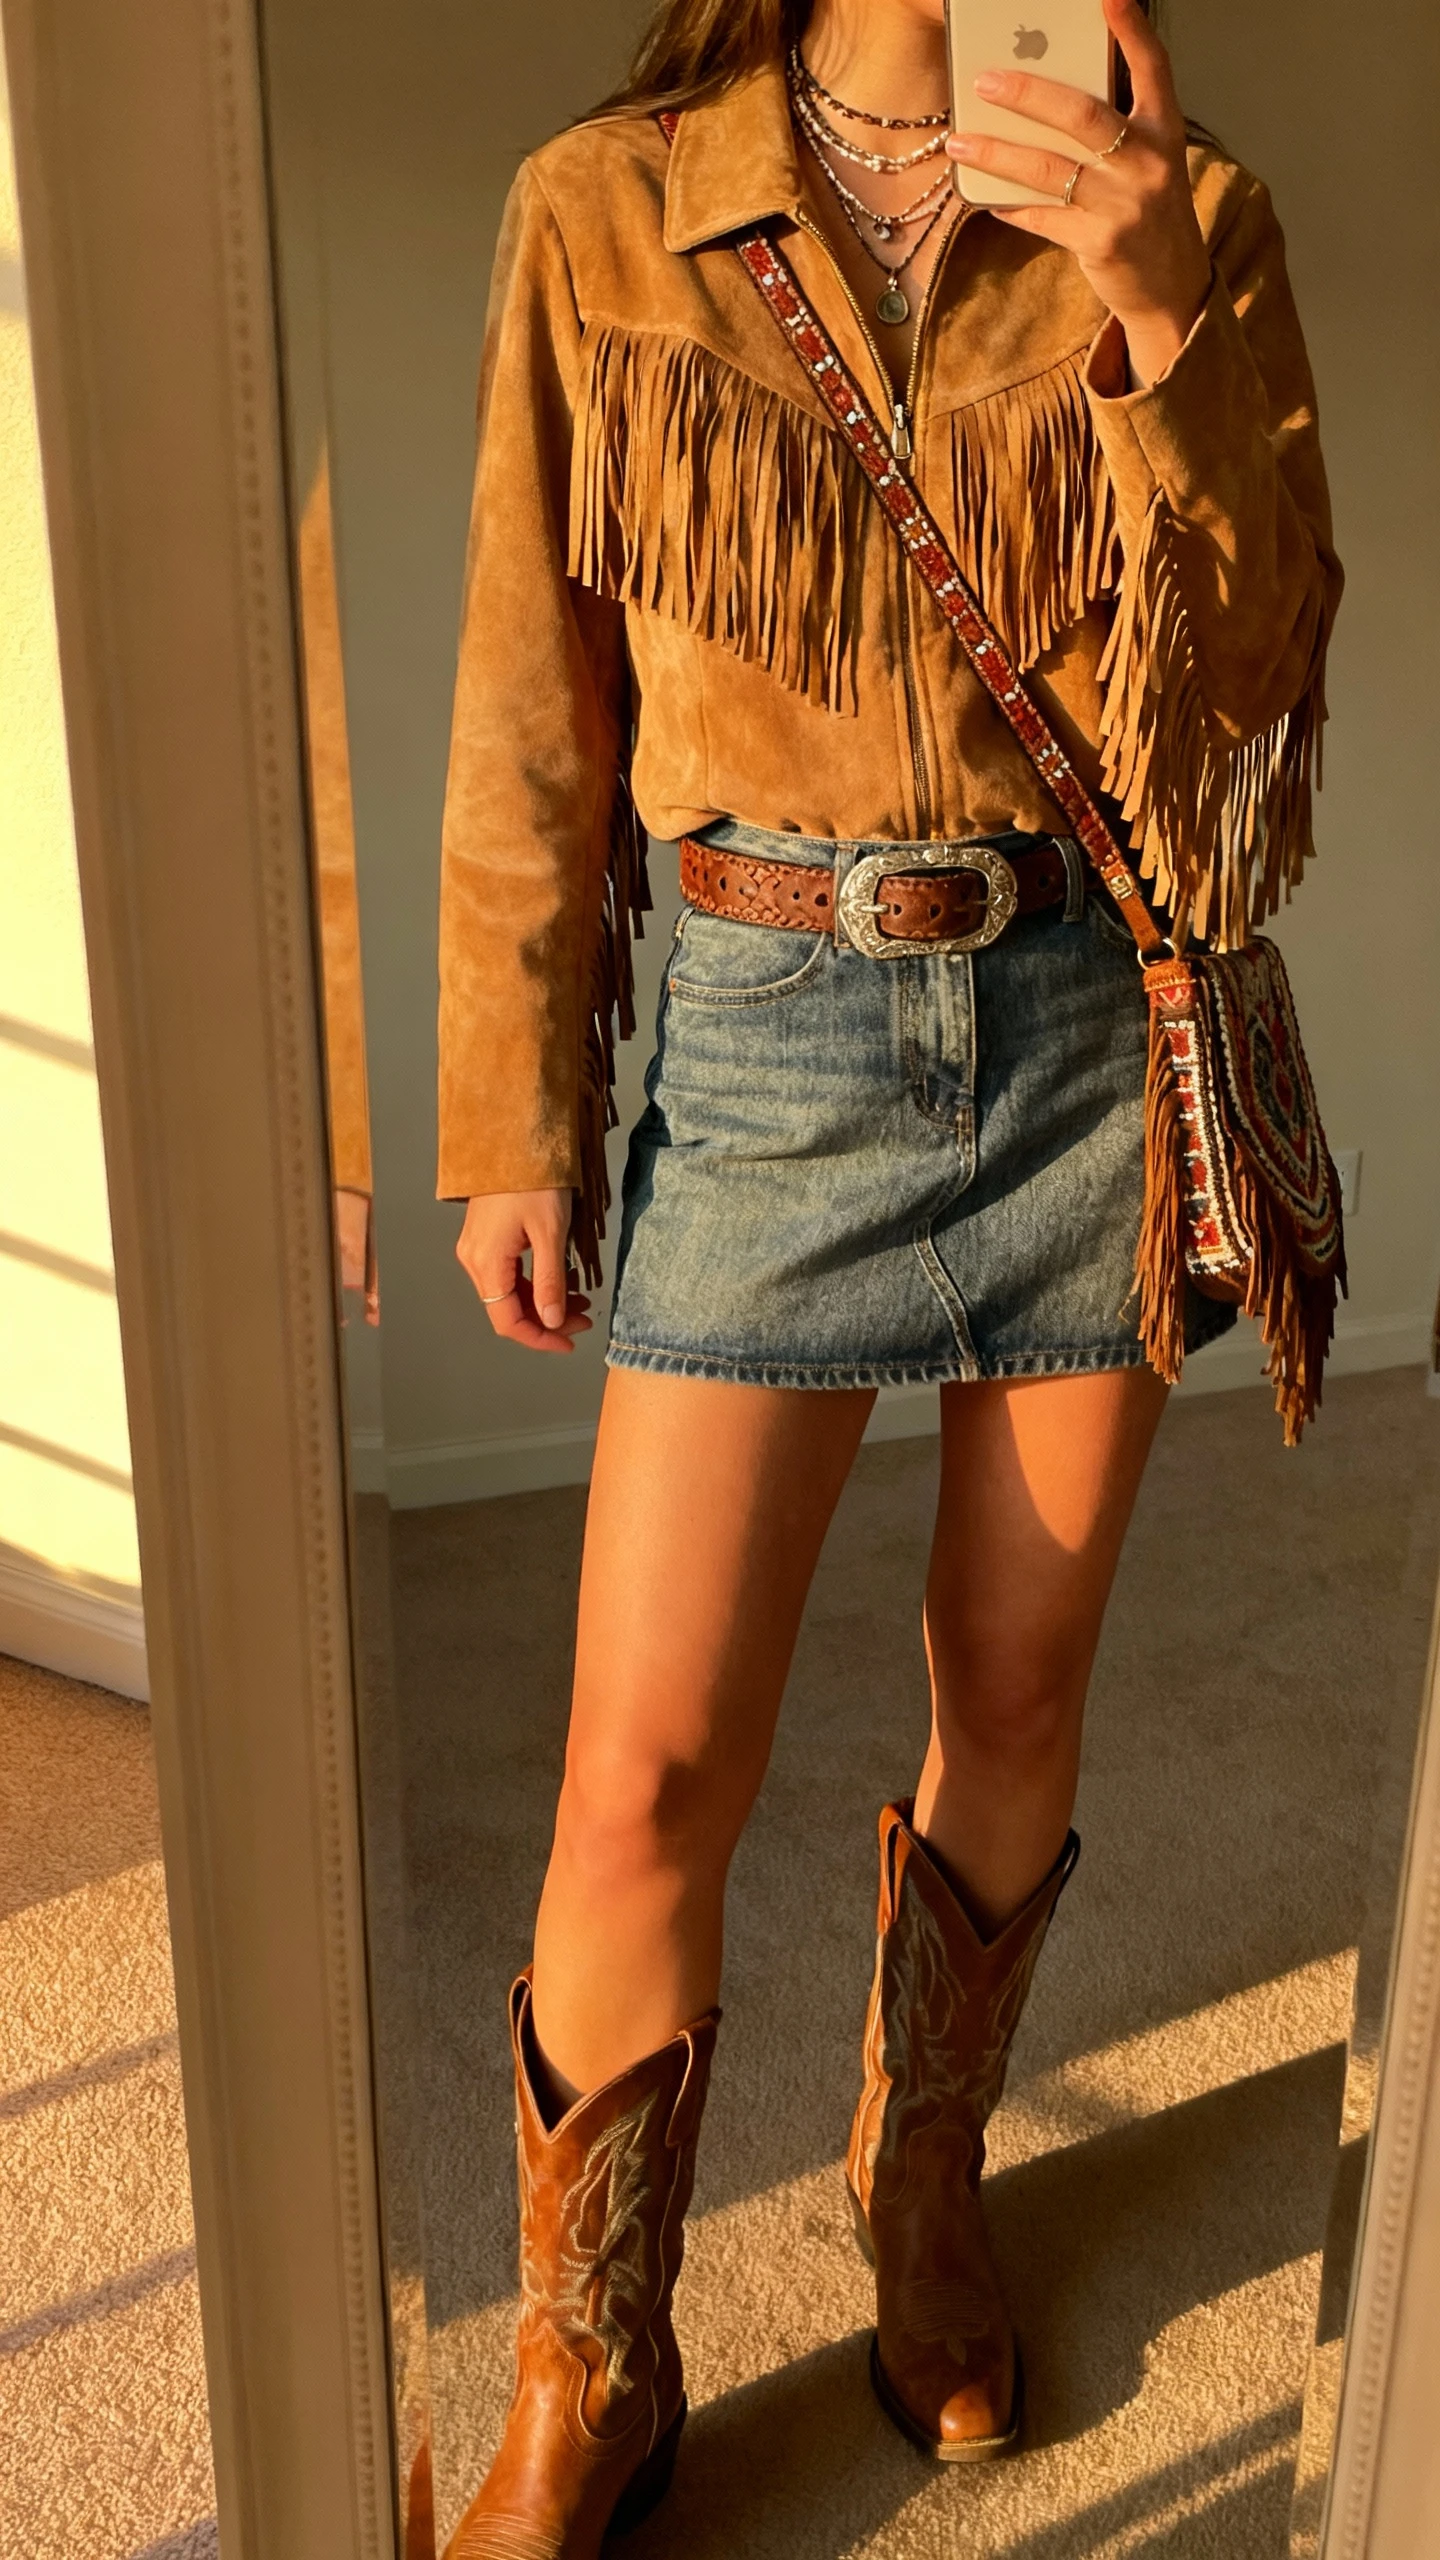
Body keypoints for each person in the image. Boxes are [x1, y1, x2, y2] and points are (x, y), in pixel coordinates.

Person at [435, 0, 1339, 2548]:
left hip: (1085, 1022)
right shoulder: (603, 208)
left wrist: (1159, 314)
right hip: (763, 1024)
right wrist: (510, 1104)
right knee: (641, 1768)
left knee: (1018, 1675)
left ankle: (917, 2178)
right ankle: (589, 2360)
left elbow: (1258, 695)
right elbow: (533, 698)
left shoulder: (1191, 204)